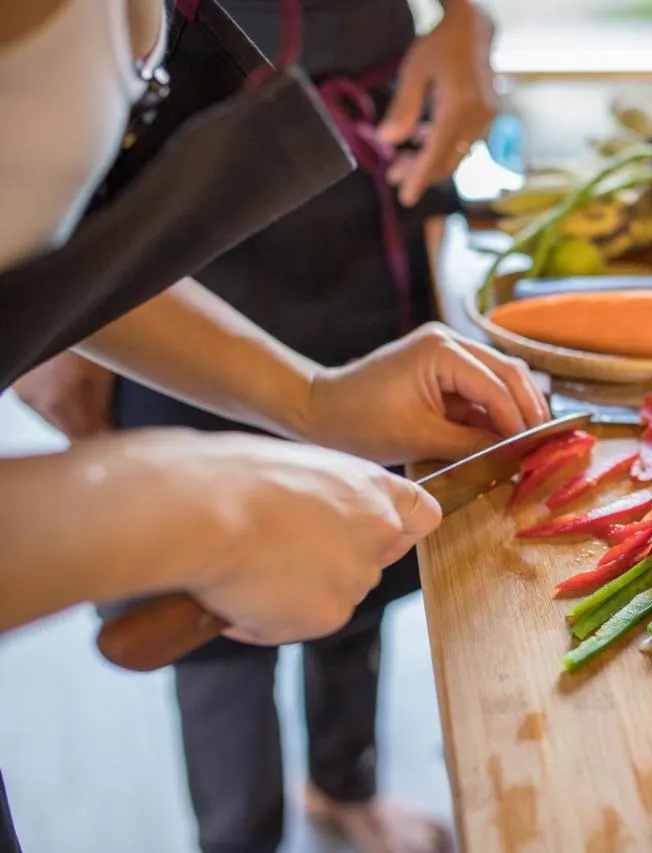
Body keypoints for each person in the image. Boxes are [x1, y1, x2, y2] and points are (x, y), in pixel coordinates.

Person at [0, 1, 547, 852]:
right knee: (223, 680)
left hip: (349, 271)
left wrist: (313, 397)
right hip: (200, 348)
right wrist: (192, 506)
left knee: (360, 587)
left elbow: (45, 259)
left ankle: (343, 782)